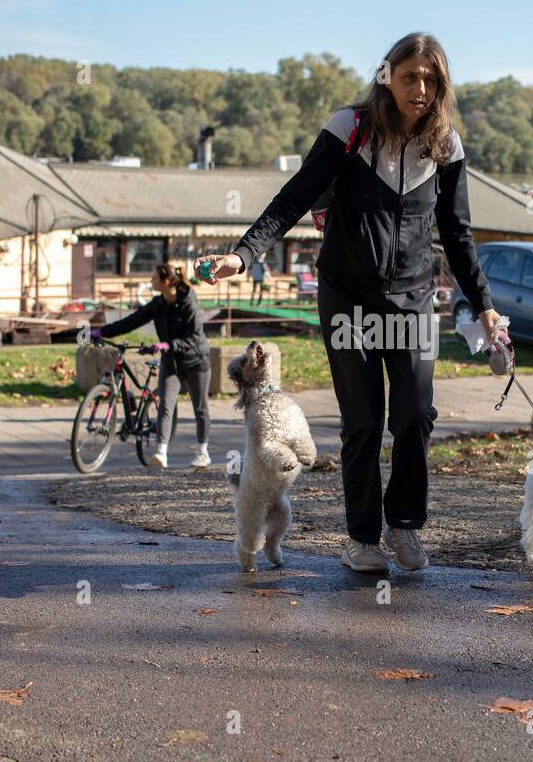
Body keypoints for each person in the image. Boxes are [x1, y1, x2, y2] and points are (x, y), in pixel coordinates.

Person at [194, 32, 502, 573]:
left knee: (414, 415)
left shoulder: (446, 145)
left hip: (412, 299)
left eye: (432, 80)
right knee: (363, 419)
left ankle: (404, 524)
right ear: (388, 76)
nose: (421, 89)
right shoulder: (350, 129)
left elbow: (457, 234)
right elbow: (293, 196)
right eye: (411, 76)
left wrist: (485, 305)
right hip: (348, 297)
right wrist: (245, 255)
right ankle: (362, 540)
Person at [91, 263, 211, 468]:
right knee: (165, 405)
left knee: (200, 409)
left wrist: (167, 344)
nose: (150, 282)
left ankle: (202, 451)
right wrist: (102, 332)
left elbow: (194, 337)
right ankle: (161, 453)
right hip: (171, 361)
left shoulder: (189, 301)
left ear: (166, 282)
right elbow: (131, 321)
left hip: (195, 360)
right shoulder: (158, 304)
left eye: (154, 279)